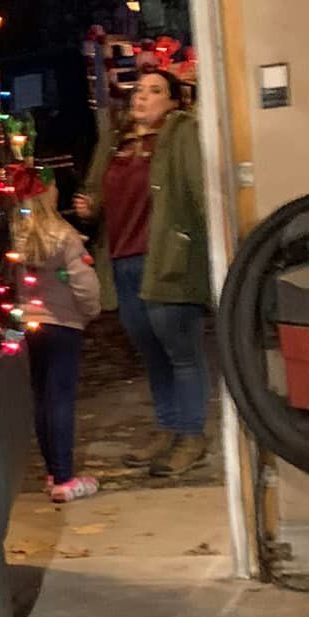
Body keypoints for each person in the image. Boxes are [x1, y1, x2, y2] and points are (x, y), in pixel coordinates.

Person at [73, 68, 211, 479]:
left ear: (173, 101)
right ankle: (168, 428)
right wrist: (89, 205)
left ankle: (191, 437)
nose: (142, 97)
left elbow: (198, 190)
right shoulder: (117, 141)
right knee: (151, 353)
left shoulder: (180, 133)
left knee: (181, 353)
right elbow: (96, 191)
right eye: (138, 90)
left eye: (155, 91)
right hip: (123, 261)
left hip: (167, 259)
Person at [11, 165, 102, 502]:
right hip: (63, 324)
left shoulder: (17, 235)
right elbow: (83, 282)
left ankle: (52, 470)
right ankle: (64, 479)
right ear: (49, 194)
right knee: (61, 397)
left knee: (41, 398)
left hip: (29, 325)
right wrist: (91, 310)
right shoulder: (64, 236)